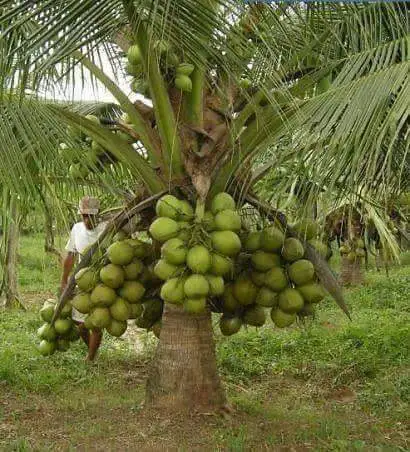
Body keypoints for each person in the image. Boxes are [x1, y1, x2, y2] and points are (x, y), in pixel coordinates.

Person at [60, 196, 106, 362]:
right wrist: (64, 280)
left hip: (104, 282)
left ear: (98, 214)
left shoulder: (107, 228)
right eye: (84, 215)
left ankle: (91, 358)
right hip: (83, 280)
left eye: (91, 215)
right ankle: (92, 350)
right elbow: (70, 255)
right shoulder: (77, 229)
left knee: (97, 322)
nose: (87, 219)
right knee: (80, 324)